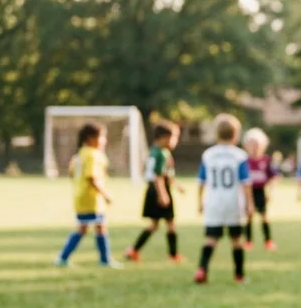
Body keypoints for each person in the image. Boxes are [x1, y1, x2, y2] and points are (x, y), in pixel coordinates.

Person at [193, 114, 253, 284]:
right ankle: (239, 275)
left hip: (213, 202)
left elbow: (200, 182)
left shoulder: (208, 155)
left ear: (216, 134)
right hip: (233, 202)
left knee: (211, 238)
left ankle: (202, 269)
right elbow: (246, 183)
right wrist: (250, 204)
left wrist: (199, 202)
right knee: (236, 240)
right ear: (235, 135)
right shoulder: (239, 156)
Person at [54, 122, 119, 268]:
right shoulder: (92, 154)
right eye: (102, 137)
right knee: (92, 227)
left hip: (80, 196)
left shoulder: (81, 153)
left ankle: (102, 259)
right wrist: (105, 194)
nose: (104, 140)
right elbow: (92, 178)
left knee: (91, 227)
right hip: (91, 199)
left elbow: (72, 173)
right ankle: (103, 260)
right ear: (90, 138)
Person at [126, 120, 181, 264]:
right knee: (170, 224)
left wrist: (176, 184)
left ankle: (134, 250)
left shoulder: (154, 150)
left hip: (153, 189)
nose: (175, 141)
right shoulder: (162, 153)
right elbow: (158, 176)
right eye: (174, 137)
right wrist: (163, 194)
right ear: (164, 137)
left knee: (154, 224)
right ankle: (173, 255)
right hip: (159, 189)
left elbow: (164, 174)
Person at [241, 128, 277, 251]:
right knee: (249, 217)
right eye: (252, 144)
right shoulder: (244, 161)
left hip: (261, 191)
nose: (254, 147)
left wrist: (270, 192)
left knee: (264, 217)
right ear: (246, 145)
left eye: (257, 144)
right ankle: (248, 241)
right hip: (248, 192)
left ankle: (268, 241)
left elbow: (273, 177)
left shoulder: (265, 160)